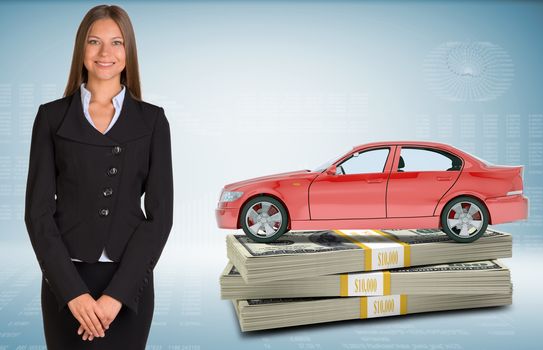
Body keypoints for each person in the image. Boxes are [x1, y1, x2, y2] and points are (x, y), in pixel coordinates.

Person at [24, 4, 174, 349]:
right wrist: (73, 293)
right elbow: (38, 213)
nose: (105, 53)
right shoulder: (51, 118)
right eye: (94, 42)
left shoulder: (152, 121)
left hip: (128, 283)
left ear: (128, 51)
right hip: (66, 281)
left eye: (117, 42)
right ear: (81, 49)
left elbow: (160, 217)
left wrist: (116, 297)